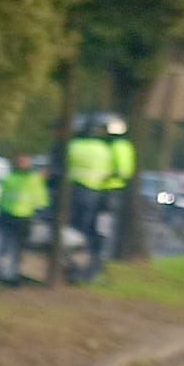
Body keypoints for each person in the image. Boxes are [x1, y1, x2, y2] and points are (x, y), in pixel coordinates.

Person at [67, 115, 118, 280]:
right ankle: (83, 266)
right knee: (88, 230)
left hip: (73, 191)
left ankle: (70, 264)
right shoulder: (104, 150)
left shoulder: (74, 146)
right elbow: (108, 171)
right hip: (93, 194)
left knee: (72, 228)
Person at [0, 153, 49, 283]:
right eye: (21, 162)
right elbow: (2, 197)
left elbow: (41, 198)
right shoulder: (10, 178)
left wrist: (41, 212)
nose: (23, 164)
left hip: (26, 218)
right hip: (9, 215)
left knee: (20, 247)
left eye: (25, 162)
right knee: (6, 245)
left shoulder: (33, 179)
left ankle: (17, 271)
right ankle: (2, 271)